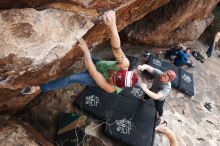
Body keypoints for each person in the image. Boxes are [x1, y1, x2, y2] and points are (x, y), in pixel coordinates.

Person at [21, 10, 138, 95]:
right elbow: (116, 48)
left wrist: (86, 51)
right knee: (89, 52)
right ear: (122, 71)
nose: (112, 78)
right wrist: (112, 26)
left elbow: (93, 73)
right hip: (100, 64)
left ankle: (40, 88)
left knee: (71, 78)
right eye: (115, 76)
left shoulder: (112, 88)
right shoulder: (124, 64)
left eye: (114, 81)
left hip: (93, 77)